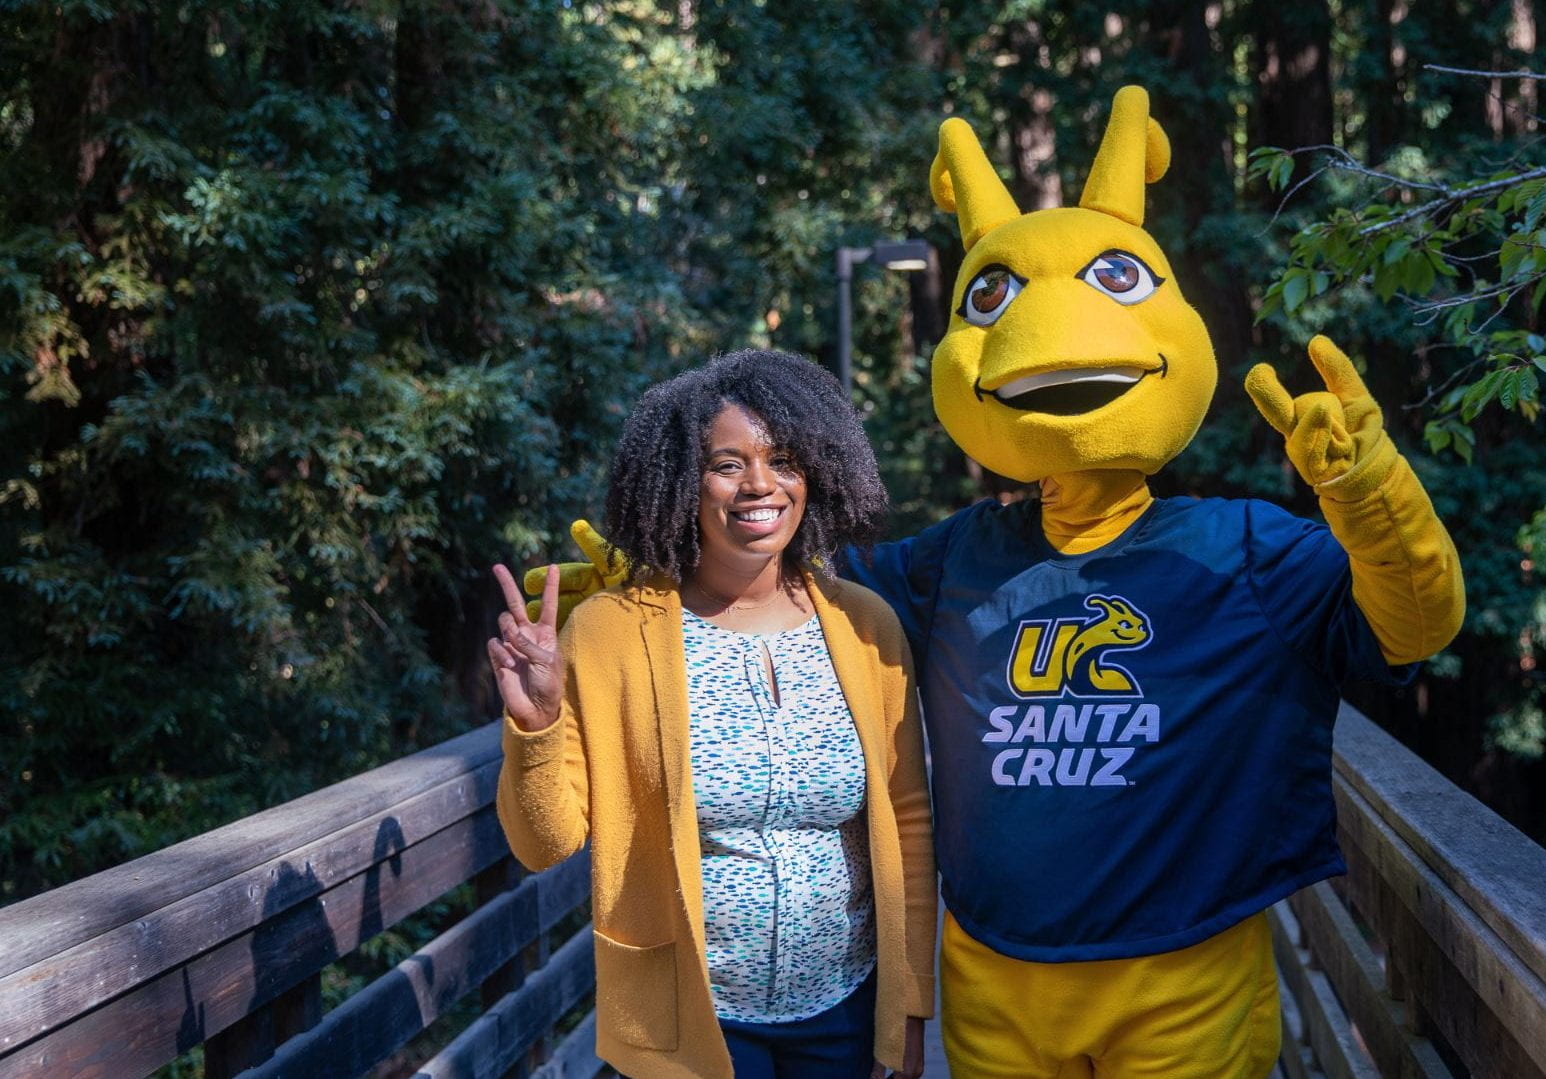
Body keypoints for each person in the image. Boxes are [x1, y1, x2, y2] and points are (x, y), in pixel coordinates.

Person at [533, 87, 1464, 1077]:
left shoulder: (1243, 549)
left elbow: (1413, 624)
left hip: (1182, 975)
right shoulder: (952, 559)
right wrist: (653, 573)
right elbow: (780, 587)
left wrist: (1367, 491)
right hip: (992, 980)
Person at [487, 349, 935, 1079]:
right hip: (691, 1022)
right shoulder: (610, 630)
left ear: (815, 472)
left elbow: (909, 817)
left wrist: (910, 1005)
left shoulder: (866, 625)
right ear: (680, 485)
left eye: (784, 459)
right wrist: (536, 727)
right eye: (727, 464)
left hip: (846, 1012)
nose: (760, 484)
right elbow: (546, 843)